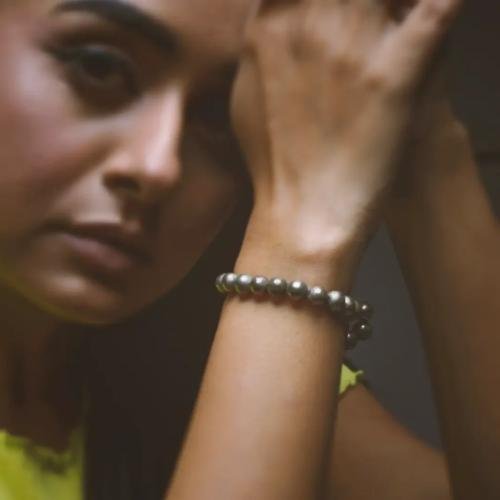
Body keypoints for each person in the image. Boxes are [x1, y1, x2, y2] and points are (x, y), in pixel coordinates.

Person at [0, 0, 498, 499]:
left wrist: (426, 143)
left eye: (219, 116)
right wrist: (304, 236)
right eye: (99, 67)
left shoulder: (186, 358)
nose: (158, 167)